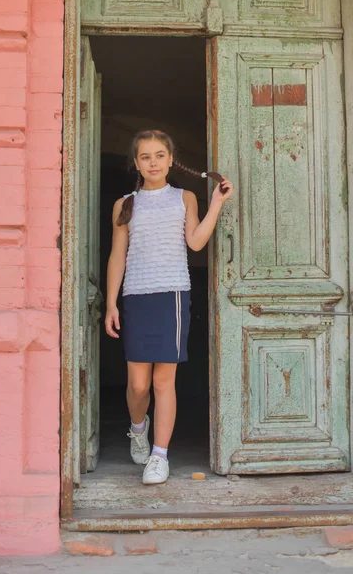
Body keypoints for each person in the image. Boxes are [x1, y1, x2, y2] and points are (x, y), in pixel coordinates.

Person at [105, 130, 233, 485]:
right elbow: (118, 257)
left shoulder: (184, 198)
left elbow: (195, 243)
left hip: (173, 296)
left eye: (160, 155)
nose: (153, 163)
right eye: (145, 157)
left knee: (163, 381)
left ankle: (159, 457)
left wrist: (217, 204)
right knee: (138, 385)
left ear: (171, 159)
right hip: (136, 297)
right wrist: (112, 303)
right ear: (136, 163)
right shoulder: (125, 204)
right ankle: (137, 428)